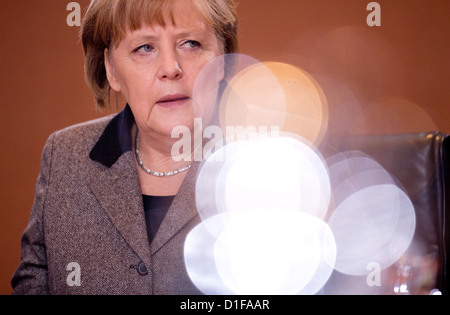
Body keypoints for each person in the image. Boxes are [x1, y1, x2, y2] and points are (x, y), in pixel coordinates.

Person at [11, 0, 238, 295]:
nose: (170, 68)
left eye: (191, 43)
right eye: (145, 48)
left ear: (223, 60)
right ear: (112, 70)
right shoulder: (65, 155)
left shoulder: (272, 166)